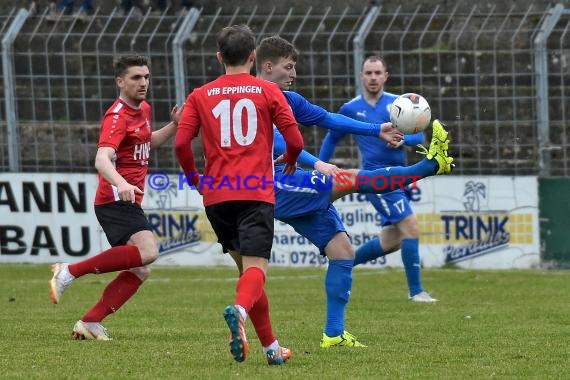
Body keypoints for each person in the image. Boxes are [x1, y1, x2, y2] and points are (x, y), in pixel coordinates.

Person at [254, 35, 445, 348]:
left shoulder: (286, 97)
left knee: (343, 251)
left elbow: (326, 118)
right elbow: (280, 143)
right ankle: (428, 167)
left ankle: (333, 335)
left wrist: (377, 129)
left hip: (286, 177)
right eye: (289, 67)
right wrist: (319, 164)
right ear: (268, 65)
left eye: (295, 67)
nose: (294, 73)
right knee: (351, 178)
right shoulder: (254, 97)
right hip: (269, 182)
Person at [174, 25, 304, 365]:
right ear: (253, 57)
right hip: (254, 192)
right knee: (257, 269)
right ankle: (240, 312)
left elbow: (179, 143)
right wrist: (290, 160)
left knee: (247, 272)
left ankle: (271, 348)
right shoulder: (267, 91)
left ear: (219, 57)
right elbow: (296, 142)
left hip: (216, 195)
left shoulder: (199, 95)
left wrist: (194, 179)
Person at [49, 55, 181, 340]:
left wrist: (174, 126)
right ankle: (68, 271)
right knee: (149, 252)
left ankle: (90, 321)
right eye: (136, 77)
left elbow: (147, 143)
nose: (143, 82)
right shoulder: (116, 117)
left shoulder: (143, 109)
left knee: (140, 269)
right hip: (115, 199)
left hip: (128, 198)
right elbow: (101, 159)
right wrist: (121, 182)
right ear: (120, 82)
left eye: (146, 76)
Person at [319, 56, 437, 303]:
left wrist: (406, 138)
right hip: (376, 179)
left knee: (393, 239)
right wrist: (320, 166)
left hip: (399, 179)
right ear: (361, 76)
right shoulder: (350, 108)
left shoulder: (400, 104)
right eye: (368, 73)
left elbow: (419, 138)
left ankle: (345, 263)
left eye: (377, 73)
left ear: (386, 76)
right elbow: (332, 137)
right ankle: (416, 292)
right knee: (410, 227)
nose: (373, 77)